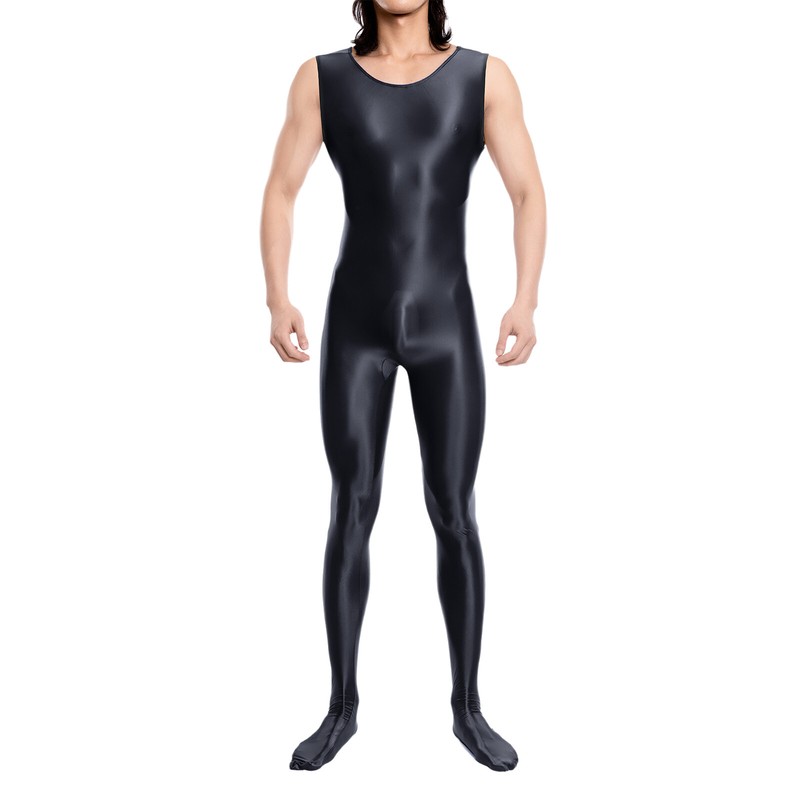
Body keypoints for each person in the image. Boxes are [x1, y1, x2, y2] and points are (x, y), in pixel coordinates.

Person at [259, 0, 546, 772]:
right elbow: (281, 188)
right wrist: (277, 296)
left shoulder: (484, 79)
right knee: (351, 509)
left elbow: (527, 191)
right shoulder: (321, 80)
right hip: (356, 326)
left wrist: (525, 298)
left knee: (455, 512)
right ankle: (341, 708)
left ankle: (468, 709)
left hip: (446, 326)